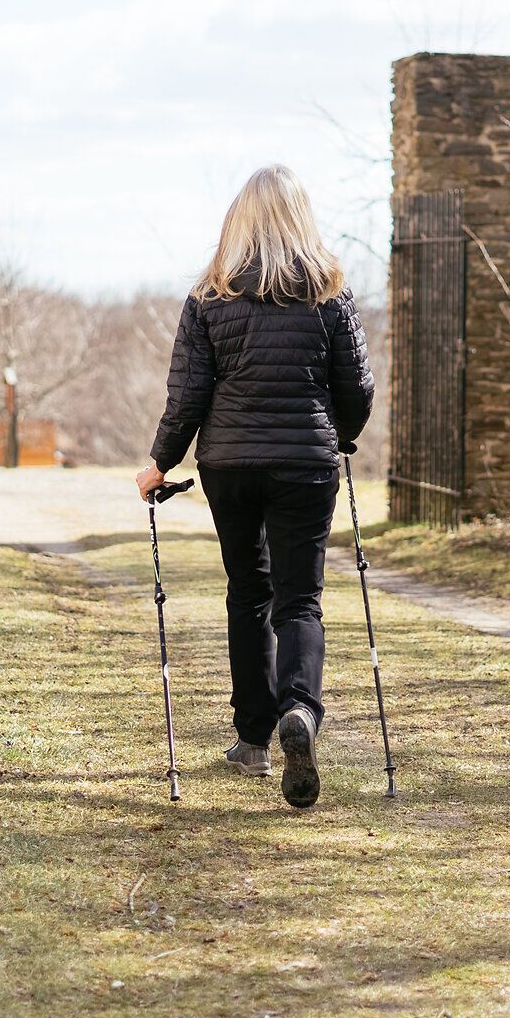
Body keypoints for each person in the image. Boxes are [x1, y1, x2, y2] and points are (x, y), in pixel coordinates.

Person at [137, 164, 375, 809]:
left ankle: (254, 738)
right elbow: (357, 388)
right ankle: (302, 708)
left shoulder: (208, 297)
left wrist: (160, 463)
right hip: (306, 461)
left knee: (248, 591)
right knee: (300, 599)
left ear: (237, 221)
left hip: (231, 465)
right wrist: (339, 434)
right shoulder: (329, 294)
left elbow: (187, 396)